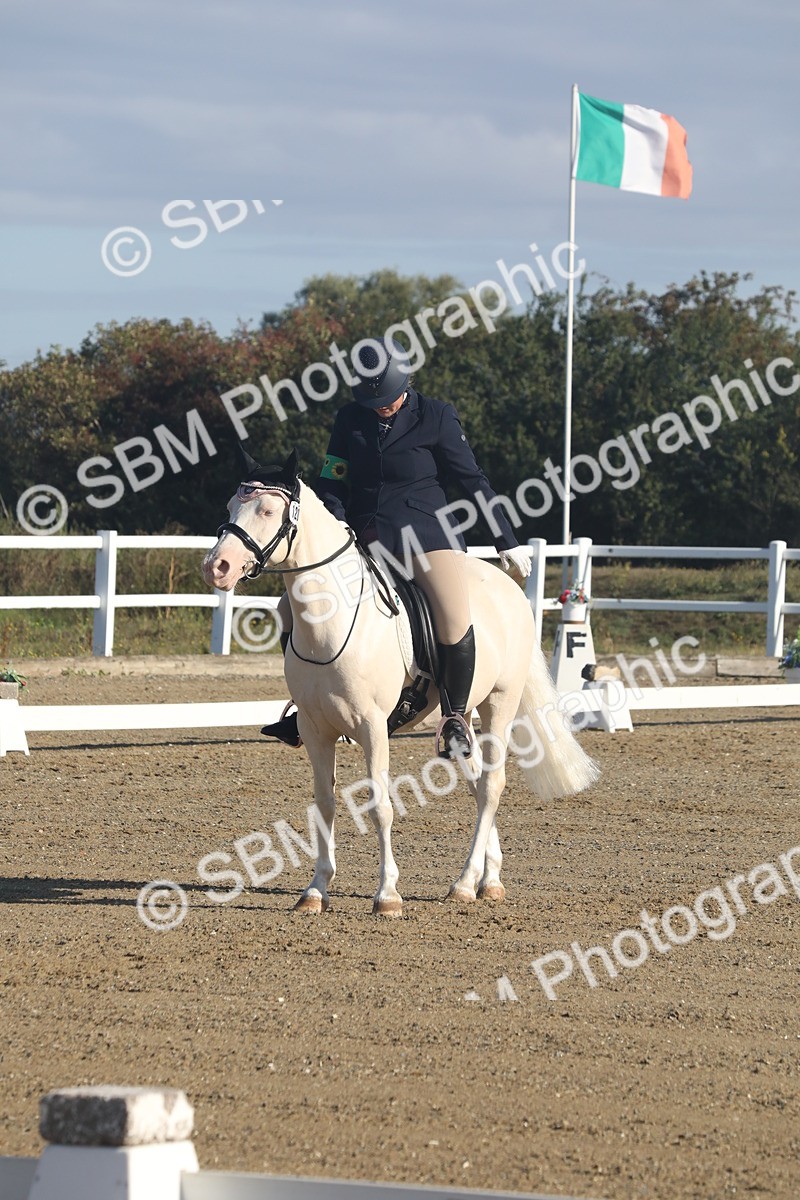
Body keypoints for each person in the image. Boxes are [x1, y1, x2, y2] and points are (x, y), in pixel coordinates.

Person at [262, 335, 531, 757]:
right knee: (288, 608)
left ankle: (455, 719)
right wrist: (338, 523)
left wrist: (505, 539)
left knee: (453, 614)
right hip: (363, 539)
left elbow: (471, 479)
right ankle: (306, 708)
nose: (381, 407)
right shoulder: (350, 418)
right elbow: (333, 479)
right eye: (374, 402)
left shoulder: (437, 416)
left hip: (426, 537)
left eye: (387, 400)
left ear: (406, 382)